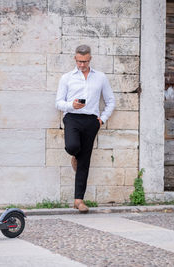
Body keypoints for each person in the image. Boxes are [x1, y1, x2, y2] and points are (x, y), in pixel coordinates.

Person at [55, 45, 115, 212]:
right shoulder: (66, 78)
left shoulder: (101, 77)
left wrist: (101, 120)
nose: (82, 64)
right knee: (73, 147)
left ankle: (78, 200)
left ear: (90, 59)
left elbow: (111, 101)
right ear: (75, 59)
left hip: (91, 121)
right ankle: (74, 155)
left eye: (85, 61)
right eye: (79, 61)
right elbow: (58, 102)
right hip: (72, 117)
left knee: (85, 161)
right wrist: (71, 105)